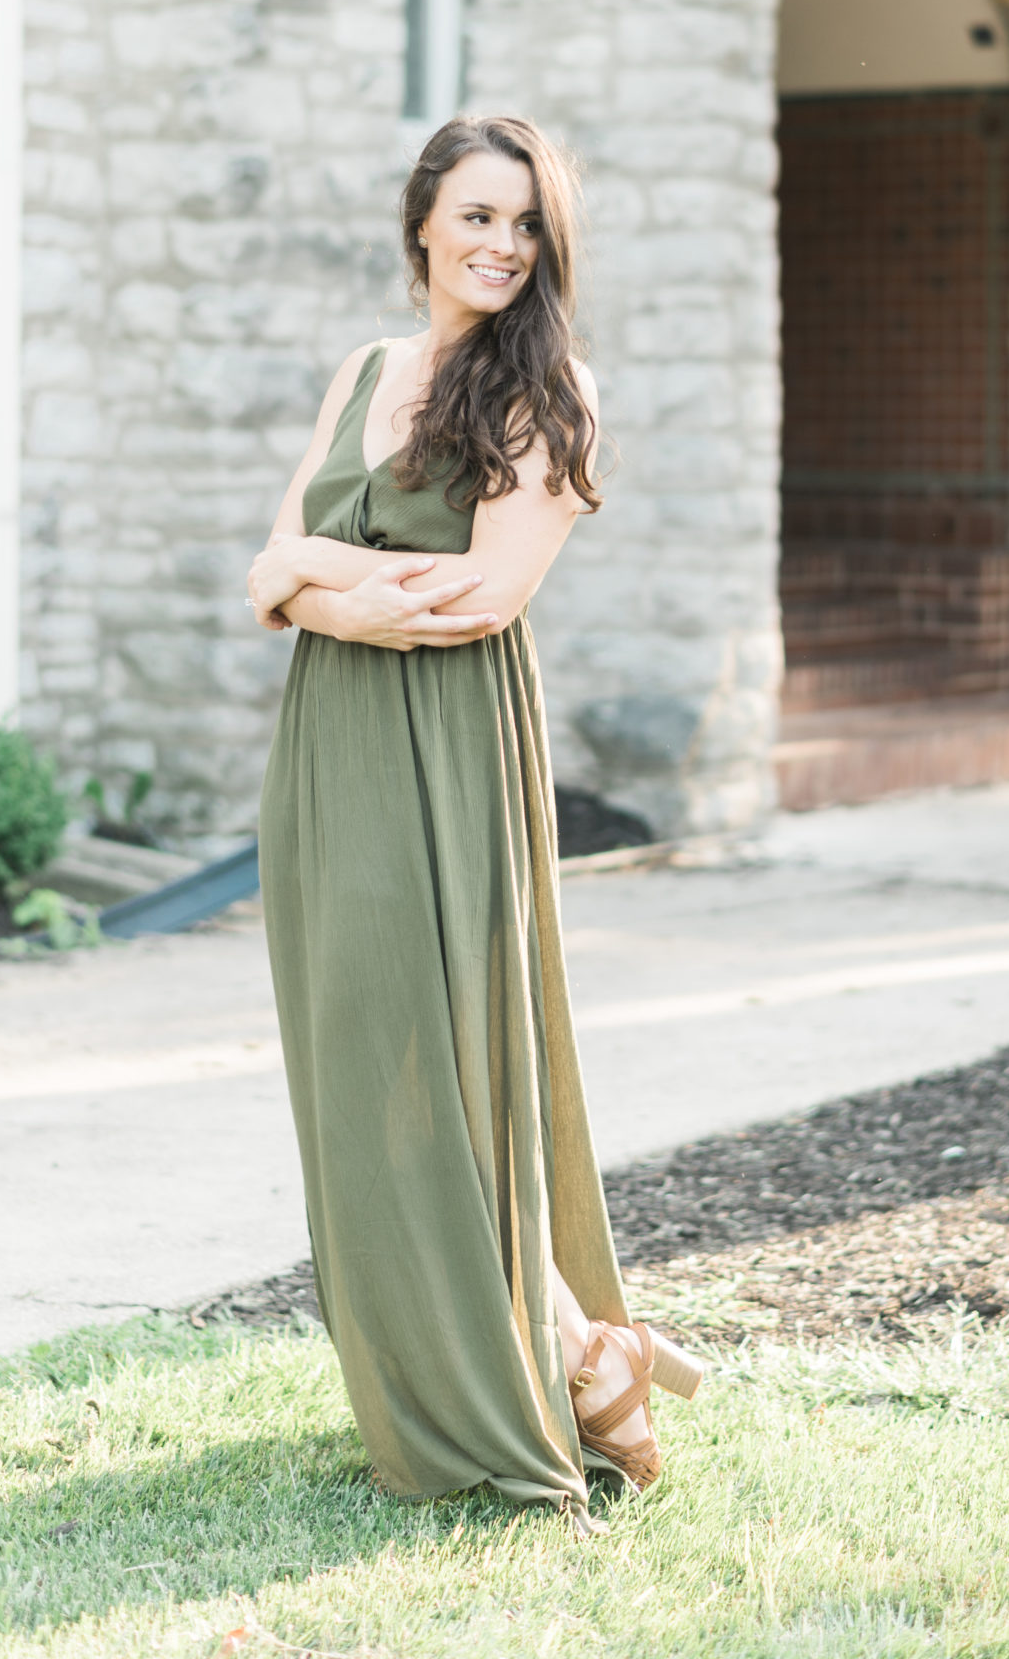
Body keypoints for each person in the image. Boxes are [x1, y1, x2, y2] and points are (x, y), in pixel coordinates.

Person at [246, 113, 702, 1520]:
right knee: (355, 1067)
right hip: (326, 744)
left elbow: (483, 598)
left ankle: (560, 1361)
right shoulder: (366, 370)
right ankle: (584, 1352)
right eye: (478, 216)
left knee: (433, 1066)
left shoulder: (542, 389)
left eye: (526, 225)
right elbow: (263, 566)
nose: (500, 245)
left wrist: (317, 587)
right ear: (423, 221)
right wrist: (332, 583)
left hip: (446, 748)